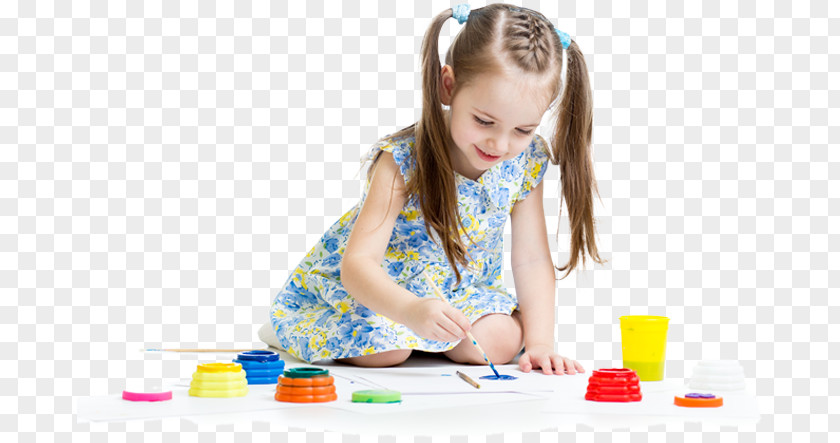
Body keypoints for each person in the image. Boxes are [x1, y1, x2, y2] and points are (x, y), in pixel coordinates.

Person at [262, 3, 604, 375]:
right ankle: (299, 330)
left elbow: (531, 258)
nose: (500, 144)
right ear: (449, 85)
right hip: (386, 292)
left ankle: (434, 338)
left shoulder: (525, 161)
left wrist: (539, 344)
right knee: (385, 353)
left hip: (461, 295)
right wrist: (410, 310)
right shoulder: (403, 159)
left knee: (500, 343)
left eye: (523, 129)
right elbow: (358, 264)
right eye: (484, 120)